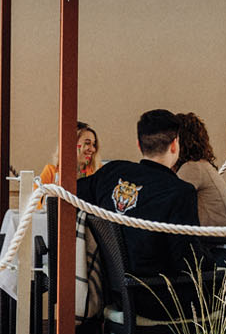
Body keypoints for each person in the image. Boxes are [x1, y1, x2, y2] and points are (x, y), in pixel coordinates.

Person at [79, 109, 208, 318]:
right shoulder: (180, 192)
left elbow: (68, 194)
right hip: (159, 298)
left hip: (114, 292)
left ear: (139, 145)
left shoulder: (111, 173)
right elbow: (187, 263)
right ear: (175, 145)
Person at [173, 111, 226, 227]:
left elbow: (172, 201)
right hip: (222, 235)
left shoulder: (192, 168)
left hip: (216, 237)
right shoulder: (201, 165)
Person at [38, 121, 100, 188]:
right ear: (70, 145)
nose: (93, 149)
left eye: (94, 144)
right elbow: (36, 194)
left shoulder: (99, 172)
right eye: (87, 143)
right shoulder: (51, 172)